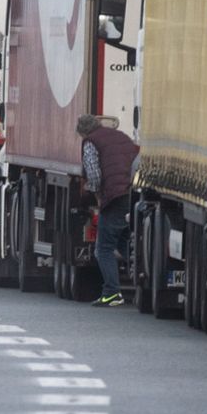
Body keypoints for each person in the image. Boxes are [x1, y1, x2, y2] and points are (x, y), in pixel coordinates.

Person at [78, 114, 139, 307]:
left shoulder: (91, 142)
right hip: (133, 193)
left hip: (114, 196)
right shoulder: (120, 136)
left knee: (103, 249)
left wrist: (95, 194)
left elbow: (94, 174)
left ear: (83, 131)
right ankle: (143, 284)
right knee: (124, 243)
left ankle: (112, 292)